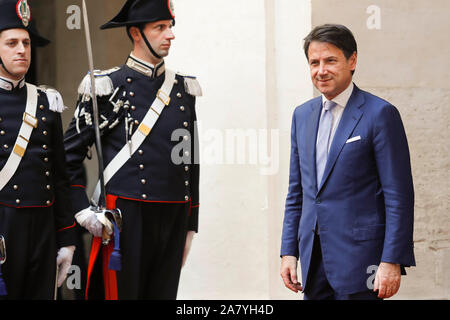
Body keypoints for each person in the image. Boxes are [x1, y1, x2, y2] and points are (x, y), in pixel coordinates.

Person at [64, 0, 201, 300]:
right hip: (126, 217)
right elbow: (67, 158)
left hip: (173, 214)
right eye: (160, 28)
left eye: (170, 27)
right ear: (136, 33)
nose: (170, 35)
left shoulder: (183, 89)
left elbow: (191, 160)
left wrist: (191, 224)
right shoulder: (105, 87)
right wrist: (83, 210)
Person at [280, 24, 415, 300]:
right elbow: (297, 193)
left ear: (352, 60)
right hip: (313, 261)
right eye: (314, 62)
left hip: (362, 264)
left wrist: (391, 260)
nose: (321, 70)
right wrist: (289, 252)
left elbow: (398, 195)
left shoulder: (380, 114)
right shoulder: (302, 116)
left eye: (330, 60)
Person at [0, 0, 76, 299]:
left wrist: (67, 239)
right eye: (12, 43)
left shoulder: (46, 102)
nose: (22, 50)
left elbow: (60, 175)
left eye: (27, 43)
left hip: (43, 232)